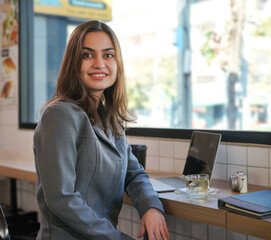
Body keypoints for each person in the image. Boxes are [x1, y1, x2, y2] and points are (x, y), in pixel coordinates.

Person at [33, 20, 170, 240]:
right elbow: (61, 198)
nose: (99, 63)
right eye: (87, 55)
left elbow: (134, 175)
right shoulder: (60, 115)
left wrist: (151, 207)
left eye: (108, 55)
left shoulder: (109, 118)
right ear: (73, 63)